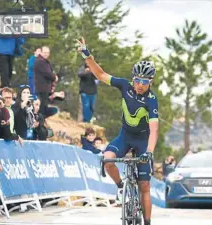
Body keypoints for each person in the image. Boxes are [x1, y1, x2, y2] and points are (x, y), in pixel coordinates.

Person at [76, 37, 159, 225]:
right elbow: (101, 74)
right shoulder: (124, 86)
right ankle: (121, 187)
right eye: (137, 80)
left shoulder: (151, 99)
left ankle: (147, 221)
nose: (140, 85)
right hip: (125, 136)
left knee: (144, 185)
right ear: (133, 78)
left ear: (150, 82)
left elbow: (154, 130)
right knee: (107, 159)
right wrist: (87, 55)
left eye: (144, 82)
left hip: (143, 141)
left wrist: (149, 152)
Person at [34, 46, 58, 115]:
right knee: (41, 108)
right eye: (44, 52)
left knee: (43, 107)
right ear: (41, 52)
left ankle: (41, 122)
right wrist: (55, 77)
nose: (46, 54)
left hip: (44, 88)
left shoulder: (44, 61)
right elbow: (47, 73)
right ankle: (39, 123)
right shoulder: (40, 61)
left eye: (48, 53)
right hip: (42, 88)